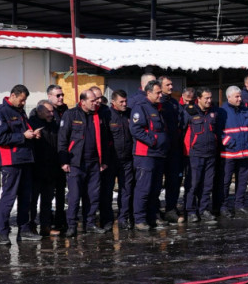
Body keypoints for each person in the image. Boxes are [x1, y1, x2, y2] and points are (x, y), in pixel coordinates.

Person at [0, 85, 43, 244]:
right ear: (12, 95)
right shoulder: (0, 113)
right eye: (21, 100)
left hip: (26, 159)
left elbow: (24, 131)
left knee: (25, 198)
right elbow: (0, 138)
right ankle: (3, 233)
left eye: (25, 101)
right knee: (8, 198)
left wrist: (33, 134)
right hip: (11, 161)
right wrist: (23, 136)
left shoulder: (20, 112)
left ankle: (24, 230)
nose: (23, 103)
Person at [58, 90, 110, 236]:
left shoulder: (98, 115)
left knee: (93, 195)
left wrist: (104, 160)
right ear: (83, 101)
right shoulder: (71, 114)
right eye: (92, 101)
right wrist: (64, 161)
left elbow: (104, 140)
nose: (96, 103)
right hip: (75, 162)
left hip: (94, 163)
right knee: (74, 197)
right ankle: (72, 226)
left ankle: (90, 223)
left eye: (96, 100)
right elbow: (62, 139)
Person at [130, 80, 169, 231]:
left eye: (161, 92)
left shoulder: (159, 108)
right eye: (158, 93)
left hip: (158, 154)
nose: (161, 95)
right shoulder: (140, 108)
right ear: (148, 93)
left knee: (156, 188)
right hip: (145, 154)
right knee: (143, 188)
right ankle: (139, 219)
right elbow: (136, 130)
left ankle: (153, 215)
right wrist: (153, 141)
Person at [218, 86, 248, 217]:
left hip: (245, 152)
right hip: (229, 153)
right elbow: (218, 131)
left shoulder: (246, 111)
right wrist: (228, 142)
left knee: (242, 181)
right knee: (225, 181)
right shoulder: (222, 112)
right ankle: (222, 206)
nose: (239, 99)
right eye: (236, 96)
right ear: (228, 97)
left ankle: (239, 205)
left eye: (240, 96)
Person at [182, 87, 219, 223]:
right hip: (195, 154)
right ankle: (190, 210)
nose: (209, 101)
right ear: (199, 99)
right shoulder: (189, 112)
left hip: (210, 153)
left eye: (210, 98)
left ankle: (203, 209)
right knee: (193, 184)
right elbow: (182, 130)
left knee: (207, 184)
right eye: (206, 98)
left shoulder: (213, 112)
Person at [101, 90, 136, 230]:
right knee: (107, 191)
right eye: (121, 102)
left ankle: (123, 218)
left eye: (125, 101)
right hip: (111, 160)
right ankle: (107, 220)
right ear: (113, 102)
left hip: (127, 159)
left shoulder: (130, 113)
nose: (124, 104)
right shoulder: (107, 115)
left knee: (126, 190)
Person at [28, 100, 59, 236]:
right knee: (32, 201)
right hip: (36, 168)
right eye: (48, 112)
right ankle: (31, 226)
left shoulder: (54, 124)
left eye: (52, 111)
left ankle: (46, 225)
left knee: (47, 200)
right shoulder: (32, 123)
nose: (51, 114)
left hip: (51, 168)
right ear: (40, 111)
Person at [158, 76, 185, 223]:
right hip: (160, 148)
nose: (171, 87)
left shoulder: (174, 103)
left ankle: (171, 209)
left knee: (174, 181)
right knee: (156, 183)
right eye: (167, 85)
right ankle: (155, 211)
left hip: (174, 148)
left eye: (171, 84)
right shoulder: (157, 104)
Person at [44, 84, 67, 231]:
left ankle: (60, 219)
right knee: (47, 193)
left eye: (62, 95)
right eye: (57, 95)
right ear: (49, 96)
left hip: (62, 157)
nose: (61, 98)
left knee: (61, 192)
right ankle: (47, 221)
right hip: (49, 159)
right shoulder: (43, 111)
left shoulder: (66, 111)